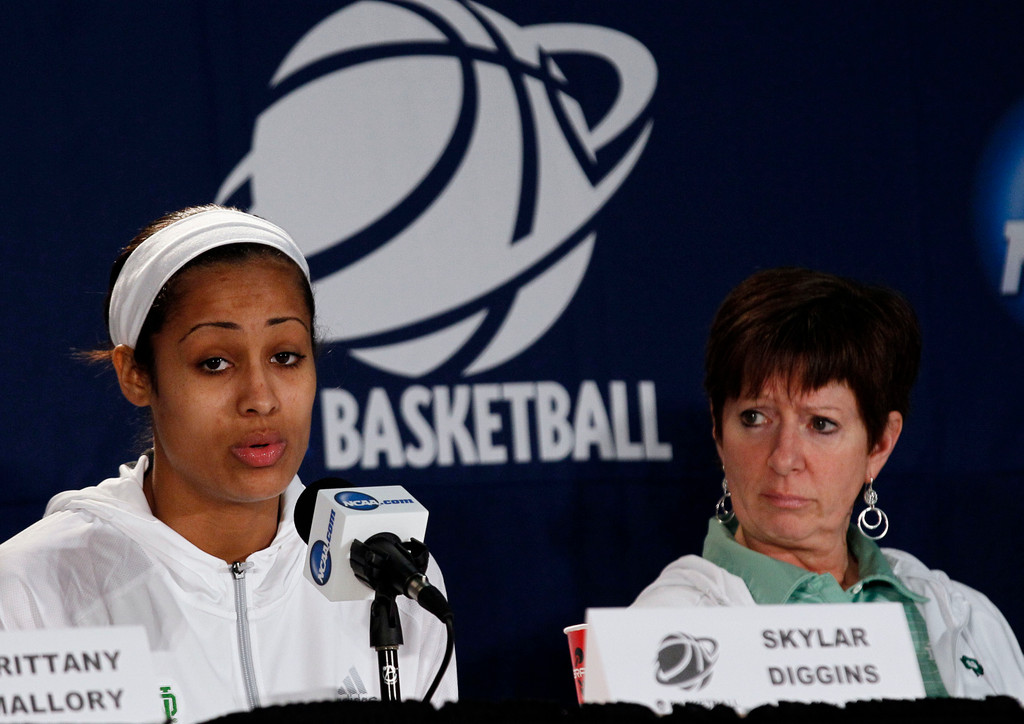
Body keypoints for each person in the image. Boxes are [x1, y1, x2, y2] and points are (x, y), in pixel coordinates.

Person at [0, 205, 457, 723]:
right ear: (135, 374)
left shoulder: (391, 572)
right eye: (214, 362)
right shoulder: (35, 588)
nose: (260, 398)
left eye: (285, 356)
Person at [632, 267, 1024, 699]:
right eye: (755, 417)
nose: (784, 458)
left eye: (821, 424)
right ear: (718, 430)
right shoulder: (663, 631)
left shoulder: (965, 616)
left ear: (879, 444)